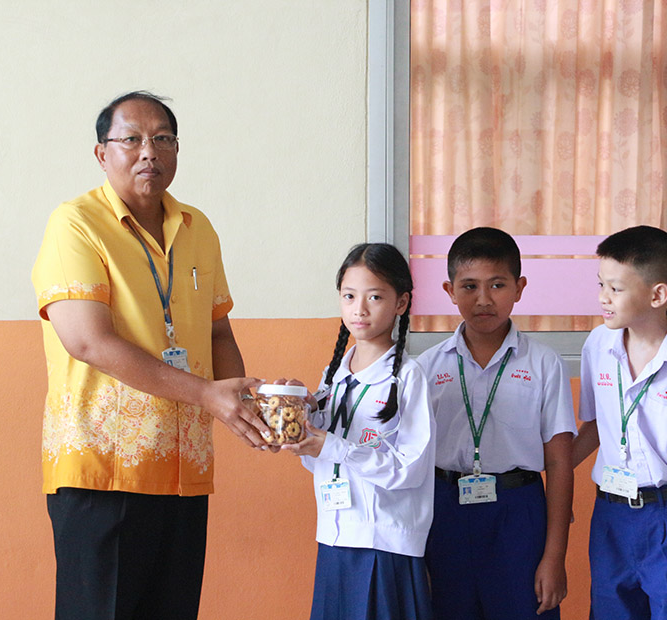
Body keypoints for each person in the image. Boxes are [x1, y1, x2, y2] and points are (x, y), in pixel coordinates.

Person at [31, 91, 268, 620]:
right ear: (102, 153)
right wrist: (208, 394)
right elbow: (87, 341)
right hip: (103, 469)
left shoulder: (198, 228)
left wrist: (248, 406)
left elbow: (218, 331)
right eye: (132, 139)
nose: (149, 152)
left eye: (163, 138)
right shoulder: (75, 223)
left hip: (185, 468)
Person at [417, 227, 576, 620]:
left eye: (498, 285)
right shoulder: (426, 368)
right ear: (449, 290)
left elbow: (559, 462)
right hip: (444, 509)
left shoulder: (544, 364)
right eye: (469, 286)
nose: (483, 299)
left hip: (518, 512)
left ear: (519, 288)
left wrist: (555, 556)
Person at [280, 243, 435, 620]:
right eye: (349, 296)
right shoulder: (334, 374)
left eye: (375, 297)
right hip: (334, 536)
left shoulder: (409, 377)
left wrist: (334, 447)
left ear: (401, 303)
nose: (359, 309)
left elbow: (410, 469)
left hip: (382, 544)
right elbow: (318, 462)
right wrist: (299, 418)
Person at [572, 226, 667, 619]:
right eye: (601, 284)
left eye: (615, 288)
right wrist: (549, 474)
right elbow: (596, 428)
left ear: (657, 295)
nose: (603, 297)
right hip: (611, 515)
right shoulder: (598, 344)